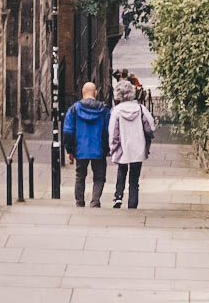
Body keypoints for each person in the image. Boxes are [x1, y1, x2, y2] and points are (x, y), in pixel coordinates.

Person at [109, 77, 156, 210]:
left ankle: (118, 196)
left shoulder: (116, 111)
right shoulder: (140, 109)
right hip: (138, 146)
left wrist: (112, 148)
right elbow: (150, 126)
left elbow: (113, 132)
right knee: (134, 178)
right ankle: (132, 203)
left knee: (121, 170)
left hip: (122, 147)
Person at [62, 81, 110, 207]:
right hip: (98, 149)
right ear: (95, 93)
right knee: (99, 177)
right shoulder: (104, 111)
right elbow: (108, 130)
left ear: (82, 93)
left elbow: (68, 131)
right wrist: (108, 148)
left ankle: (79, 202)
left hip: (80, 149)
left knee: (80, 176)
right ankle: (95, 201)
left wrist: (69, 150)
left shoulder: (73, 109)